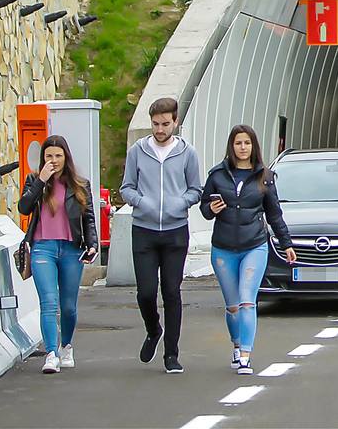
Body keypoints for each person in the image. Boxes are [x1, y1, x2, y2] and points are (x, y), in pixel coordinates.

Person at [202, 125, 296, 375]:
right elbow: (204, 209)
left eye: (247, 143)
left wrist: (286, 243)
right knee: (232, 305)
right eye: (238, 143)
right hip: (223, 248)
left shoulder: (265, 177)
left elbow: (275, 214)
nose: (243, 148)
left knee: (247, 301)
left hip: (254, 245)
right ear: (231, 147)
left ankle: (245, 354)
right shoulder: (217, 175)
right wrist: (212, 209)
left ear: (254, 146)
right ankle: (236, 344)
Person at [120, 97, 203, 373]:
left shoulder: (187, 153)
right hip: (143, 230)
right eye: (155, 124)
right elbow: (126, 188)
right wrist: (143, 202)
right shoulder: (138, 151)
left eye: (165, 124)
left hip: (175, 231)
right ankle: (153, 329)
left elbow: (196, 190)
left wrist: (180, 203)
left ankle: (171, 354)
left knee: (171, 292)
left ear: (175, 122)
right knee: (145, 292)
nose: (159, 129)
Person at [17, 136, 98, 374]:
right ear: (43, 158)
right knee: (49, 303)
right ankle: (51, 353)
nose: (53, 161)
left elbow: (89, 217)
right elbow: (24, 208)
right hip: (43, 248)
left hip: (71, 248)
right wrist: (41, 181)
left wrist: (92, 244)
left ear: (66, 157)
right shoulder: (34, 180)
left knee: (68, 306)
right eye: (49, 156)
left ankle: (66, 346)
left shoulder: (79, 184)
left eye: (58, 156)